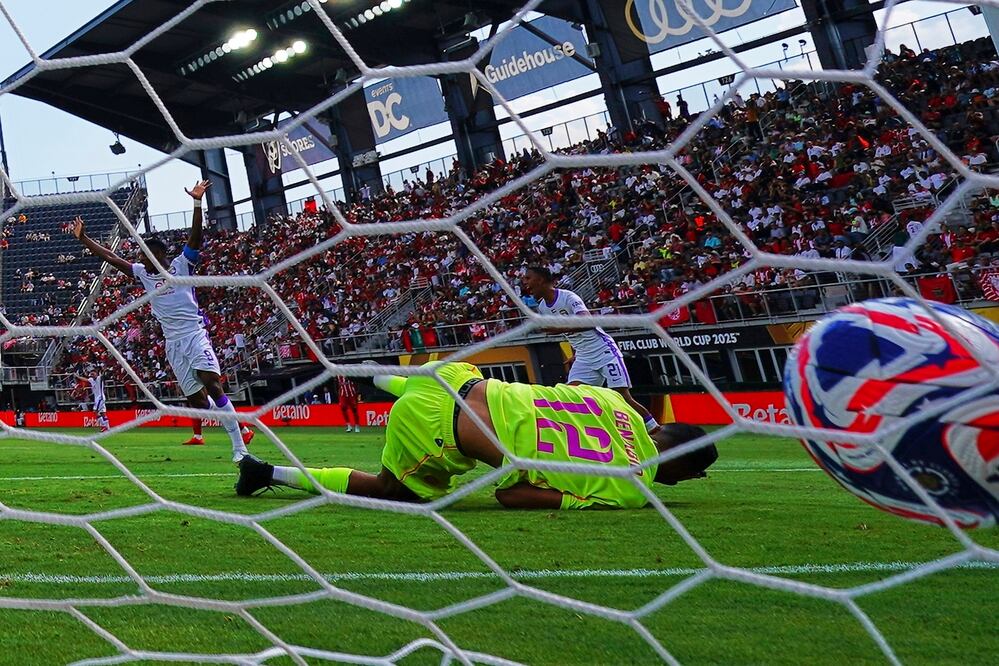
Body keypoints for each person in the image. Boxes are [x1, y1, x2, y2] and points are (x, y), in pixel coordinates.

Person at [235, 362, 717, 509]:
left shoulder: (615, 402)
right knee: (390, 490)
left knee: (447, 385)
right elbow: (512, 495)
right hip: (439, 430)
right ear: (685, 464)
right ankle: (266, 472)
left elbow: (578, 393)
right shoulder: (632, 487)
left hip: (456, 375)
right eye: (695, 473)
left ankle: (373, 375)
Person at [71, 180, 251, 462]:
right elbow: (111, 257)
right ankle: (235, 423)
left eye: (145, 253)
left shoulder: (182, 265)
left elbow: (196, 237)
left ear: (159, 254)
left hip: (194, 334)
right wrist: (84, 239)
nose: (141, 257)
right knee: (199, 402)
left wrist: (196, 202)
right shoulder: (143, 273)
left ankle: (240, 448)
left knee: (213, 384)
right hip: (172, 343)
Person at [523, 265, 661, 435]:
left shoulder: (568, 297)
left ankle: (655, 430)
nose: (525, 283)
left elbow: (588, 322)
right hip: (583, 357)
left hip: (603, 351)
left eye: (528, 278)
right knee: (571, 397)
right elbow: (572, 335)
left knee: (622, 397)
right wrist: (575, 354)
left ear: (540, 280)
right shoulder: (543, 307)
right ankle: (594, 434)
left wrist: (556, 329)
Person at [74, 367, 109, 432]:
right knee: (103, 413)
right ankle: (108, 427)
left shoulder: (99, 378)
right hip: (97, 398)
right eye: (91, 374)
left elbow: (104, 375)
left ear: (96, 374)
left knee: (95, 411)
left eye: (93, 374)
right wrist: (78, 376)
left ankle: (104, 426)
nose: (92, 376)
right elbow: (85, 379)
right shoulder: (91, 380)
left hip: (100, 397)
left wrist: (104, 370)